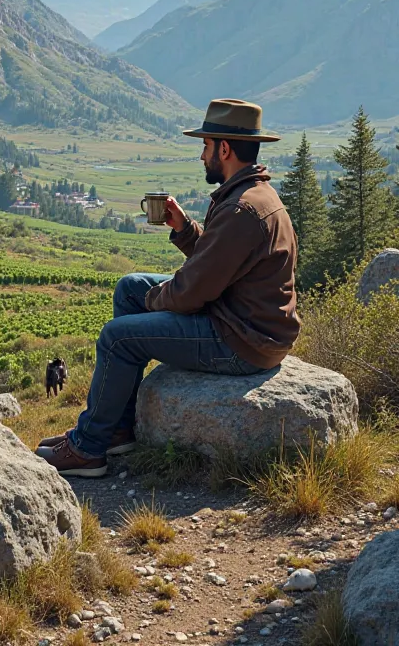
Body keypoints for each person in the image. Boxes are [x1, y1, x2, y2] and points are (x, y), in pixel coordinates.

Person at [36, 98, 299, 477]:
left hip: (241, 340)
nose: (202, 154)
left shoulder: (241, 208)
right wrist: (186, 231)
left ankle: (87, 448)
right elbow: (222, 263)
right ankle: (116, 430)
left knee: (117, 337)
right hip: (243, 319)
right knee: (129, 287)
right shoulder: (251, 196)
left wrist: (154, 300)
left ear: (224, 148)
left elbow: (192, 292)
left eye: (205, 145)